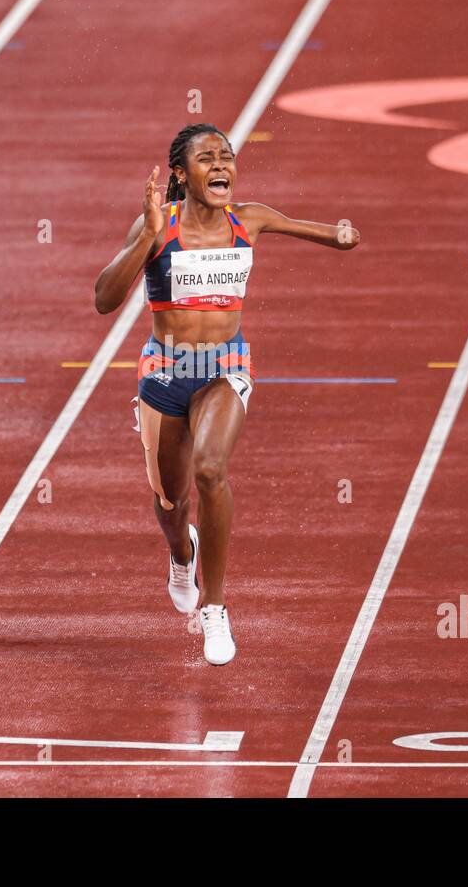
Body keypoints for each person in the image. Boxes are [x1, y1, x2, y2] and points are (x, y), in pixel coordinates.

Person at [94, 123, 360, 665]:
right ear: (181, 175)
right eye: (206, 158)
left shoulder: (251, 220)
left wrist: (341, 234)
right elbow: (104, 298)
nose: (221, 166)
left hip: (225, 367)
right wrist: (146, 234)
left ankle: (214, 608)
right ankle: (180, 552)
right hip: (167, 370)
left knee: (211, 470)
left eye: (227, 157)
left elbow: (310, 229)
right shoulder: (157, 225)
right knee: (171, 501)